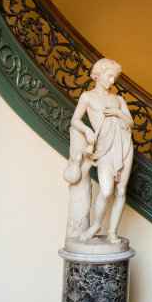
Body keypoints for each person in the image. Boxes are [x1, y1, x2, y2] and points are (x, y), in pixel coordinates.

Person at [63, 58, 133, 243]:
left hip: (124, 144)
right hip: (104, 147)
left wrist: (118, 113)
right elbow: (75, 120)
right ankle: (96, 225)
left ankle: (112, 231)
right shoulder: (87, 97)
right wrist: (87, 130)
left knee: (121, 191)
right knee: (107, 190)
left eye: (114, 77)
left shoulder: (118, 99)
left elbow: (131, 123)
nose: (112, 81)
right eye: (109, 76)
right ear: (98, 74)